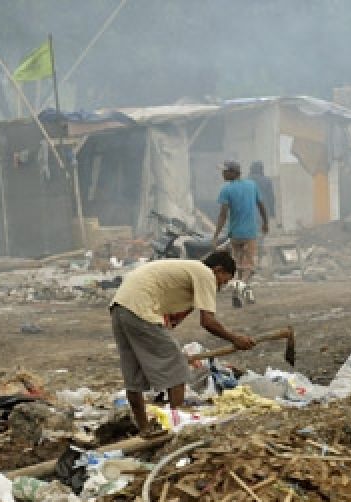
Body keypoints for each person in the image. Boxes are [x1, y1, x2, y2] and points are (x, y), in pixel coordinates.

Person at [109, 251, 255, 436]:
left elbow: (167, 326)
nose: (219, 288)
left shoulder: (186, 273)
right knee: (178, 370)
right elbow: (207, 321)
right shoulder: (205, 273)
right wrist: (235, 338)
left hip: (120, 308)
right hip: (141, 309)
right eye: (223, 281)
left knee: (134, 374)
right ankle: (178, 427)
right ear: (218, 270)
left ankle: (145, 429)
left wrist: (176, 351)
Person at [211, 160, 268, 300]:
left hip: (235, 234)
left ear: (233, 173)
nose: (223, 174)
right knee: (249, 266)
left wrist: (216, 235)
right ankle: (240, 287)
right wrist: (265, 223)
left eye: (225, 171)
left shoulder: (226, 190)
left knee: (237, 264)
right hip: (250, 233)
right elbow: (261, 206)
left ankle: (243, 292)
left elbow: (223, 215)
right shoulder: (252, 185)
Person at [247, 161, 275, 275]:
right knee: (261, 237)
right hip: (262, 211)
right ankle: (257, 261)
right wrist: (272, 212)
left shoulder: (246, 181)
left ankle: (250, 262)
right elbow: (271, 197)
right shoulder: (266, 181)